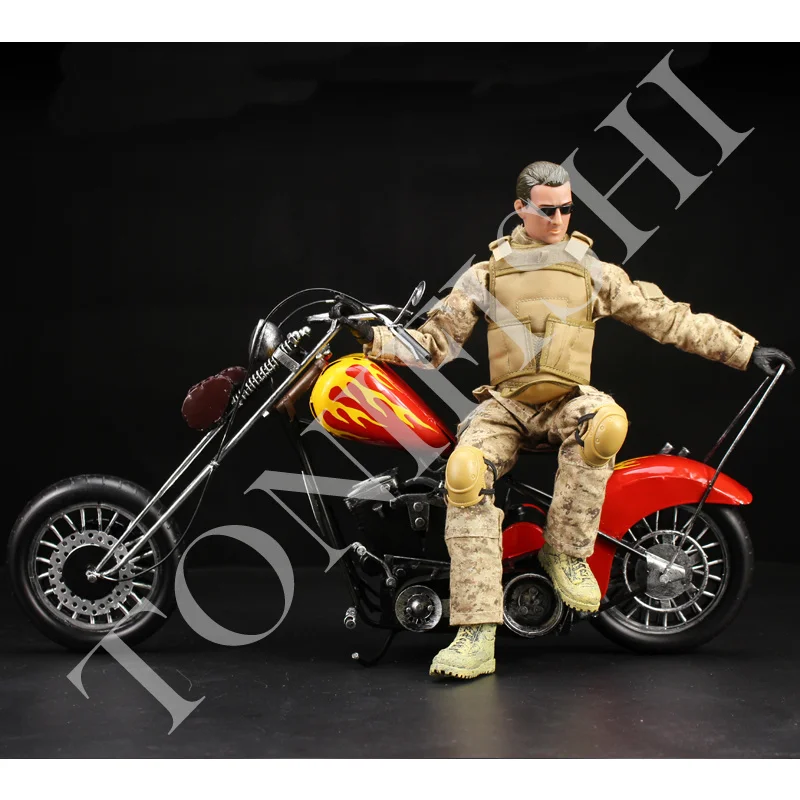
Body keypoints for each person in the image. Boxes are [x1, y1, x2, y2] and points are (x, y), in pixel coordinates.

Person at [359, 160, 794, 680]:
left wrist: (744, 350)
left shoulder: (590, 270)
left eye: (567, 208)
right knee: (465, 473)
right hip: (506, 405)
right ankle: (475, 632)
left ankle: (565, 553)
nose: (559, 219)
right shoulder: (486, 275)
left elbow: (665, 316)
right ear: (520, 208)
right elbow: (435, 343)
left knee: (606, 422)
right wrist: (376, 338)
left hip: (567, 400)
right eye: (547, 210)